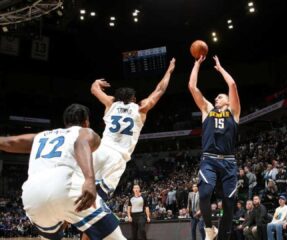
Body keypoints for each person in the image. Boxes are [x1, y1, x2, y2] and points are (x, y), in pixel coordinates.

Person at [0, 104, 125, 239]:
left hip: (32, 196)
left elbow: (9, 142)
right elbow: (81, 143)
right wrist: (89, 180)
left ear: (66, 123)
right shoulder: (84, 132)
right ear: (86, 122)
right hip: (66, 187)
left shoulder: (41, 136)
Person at [90, 58, 175, 199]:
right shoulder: (140, 109)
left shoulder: (111, 104)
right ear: (134, 99)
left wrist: (97, 82)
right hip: (118, 157)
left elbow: (94, 89)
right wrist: (169, 70)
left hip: (100, 150)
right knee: (100, 196)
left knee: (82, 185)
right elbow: (159, 90)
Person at [188, 55, 240, 240]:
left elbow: (232, 85)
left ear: (227, 100)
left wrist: (220, 68)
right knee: (204, 193)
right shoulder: (207, 110)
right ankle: (209, 229)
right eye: (216, 97)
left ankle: (223, 237)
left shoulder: (233, 112)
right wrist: (196, 65)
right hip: (209, 158)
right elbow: (193, 88)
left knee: (229, 202)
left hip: (228, 161)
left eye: (220, 96)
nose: (216, 98)